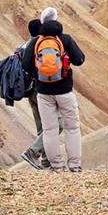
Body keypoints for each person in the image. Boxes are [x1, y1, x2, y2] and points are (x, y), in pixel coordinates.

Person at [21, 17, 86, 172]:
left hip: (43, 93)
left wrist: (39, 73)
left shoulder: (36, 42)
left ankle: (56, 165)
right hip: (64, 91)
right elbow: (80, 59)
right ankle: (74, 164)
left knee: (49, 129)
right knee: (72, 127)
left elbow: (25, 64)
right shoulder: (65, 39)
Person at [18, 18, 63, 170]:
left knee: (42, 128)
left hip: (29, 90)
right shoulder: (39, 44)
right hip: (40, 90)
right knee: (57, 124)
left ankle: (47, 162)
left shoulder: (25, 44)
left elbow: (24, 65)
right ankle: (32, 153)